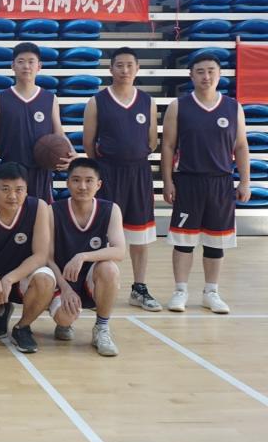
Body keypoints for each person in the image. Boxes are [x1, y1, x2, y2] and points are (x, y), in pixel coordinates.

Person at [162, 53, 250, 314]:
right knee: (184, 240)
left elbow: (241, 146)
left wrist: (245, 181)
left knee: (216, 241)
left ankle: (211, 292)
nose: (206, 76)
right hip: (188, 181)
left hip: (221, 182)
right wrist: (167, 181)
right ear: (191, 75)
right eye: (200, 71)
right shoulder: (179, 106)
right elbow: (168, 146)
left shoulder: (233, 107)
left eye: (211, 70)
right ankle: (180, 291)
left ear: (219, 75)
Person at [82, 47, 161, 312]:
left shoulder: (147, 102)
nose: (125, 70)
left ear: (137, 69)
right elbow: (89, 143)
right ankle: (95, 286)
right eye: (119, 65)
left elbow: (152, 141)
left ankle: (139, 288)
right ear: (111, 69)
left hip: (138, 173)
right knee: (103, 233)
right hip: (108, 172)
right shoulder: (97, 101)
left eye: (129, 65)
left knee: (140, 234)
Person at [0, 162, 71, 354]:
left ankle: (23, 327)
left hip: (24, 275)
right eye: (5, 189)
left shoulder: (39, 207)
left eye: (19, 189)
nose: (13, 196)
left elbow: (41, 255)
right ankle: (1, 311)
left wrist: (9, 278)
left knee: (45, 279)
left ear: (27, 189)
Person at [49, 158, 125, 357]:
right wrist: (65, 288)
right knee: (65, 318)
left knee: (109, 269)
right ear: (67, 183)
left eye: (89, 180)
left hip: (90, 278)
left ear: (98, 184)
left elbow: (119, 251)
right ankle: (63, 323)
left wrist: (82, 256)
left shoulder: (111, 209)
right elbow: (46, 257)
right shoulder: (53, 210)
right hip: (62, 280)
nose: (82, 186)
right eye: (76, 180)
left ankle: (102, 327)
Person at [0, 42, 72, 202]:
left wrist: (72, 153)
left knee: (41, 213)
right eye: (21, 61)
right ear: (12, 66)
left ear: (39, 66)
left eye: (31, 61)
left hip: (41, 170)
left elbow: (59, 133)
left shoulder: (50, 98)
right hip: (10, 170)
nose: (26, 66)